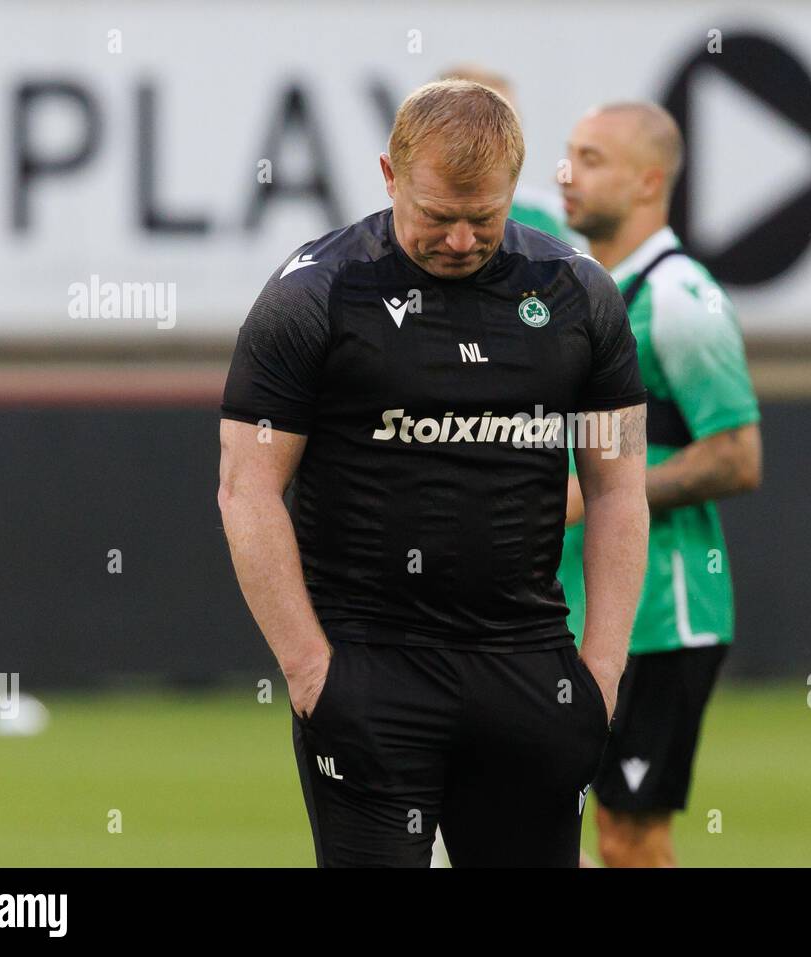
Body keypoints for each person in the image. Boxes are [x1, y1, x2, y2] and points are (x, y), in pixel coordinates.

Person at [217, 80, 649, 867]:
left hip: (529, 671)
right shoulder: (314, 295)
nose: (458, 240)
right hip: (369, 671)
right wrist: (310, 668)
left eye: (482, 218)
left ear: (516, 187)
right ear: (389, 174)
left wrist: (603, 670)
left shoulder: (578, 295)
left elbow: (619, 487)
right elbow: (246, 489)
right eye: (437, 216)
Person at [557, 102, 762, 867]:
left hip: (663, 612)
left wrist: (604, 492)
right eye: (569, 154)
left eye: (593, 158)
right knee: (535, 826)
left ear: (650, 181)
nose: (569, 174)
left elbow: (737, 455)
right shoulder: (585, 289)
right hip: (581, 609)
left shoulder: (680, 298)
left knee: (629, 836)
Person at [437, 64, 582, 246]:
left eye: (512, 122)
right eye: (490, 121)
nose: (507, 135)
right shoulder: (406, 217)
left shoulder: (544, 218)